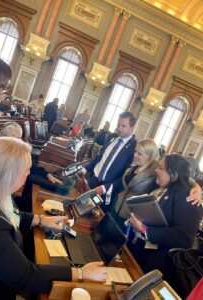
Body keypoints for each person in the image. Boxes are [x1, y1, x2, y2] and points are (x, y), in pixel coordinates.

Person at [0, 137, 107, 299]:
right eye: (26, 170)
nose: (28, 174)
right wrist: (81, 273)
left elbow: (13, 216)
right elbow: (26, 276)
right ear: (9, 175)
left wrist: (40, 220)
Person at [127, 155, 202, 292]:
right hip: (141, 254)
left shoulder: (188, 197)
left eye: (161, 168)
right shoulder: (166, 187)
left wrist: (144, 229)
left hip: (160, 264)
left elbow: (183, 237)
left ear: (173, 175)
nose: (156, 170)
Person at [0, 122, 62, 212]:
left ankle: (26, 207)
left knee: (32, 179)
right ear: (3, 137)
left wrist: (47, 174)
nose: (18, 141)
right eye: (14, 138)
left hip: (8, 194)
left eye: (19, 138)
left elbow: (31, 165)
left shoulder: (15, 149)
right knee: (31, 178)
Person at [81, 112, 137, 207]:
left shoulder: (134, 147)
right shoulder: (112, 137)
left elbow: (125, 176)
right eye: (118, 125)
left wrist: (105, 188)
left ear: (132, 128)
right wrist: (84, 169)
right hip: (93, 179)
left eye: (123, 126)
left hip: (106, 189)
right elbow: (99, 157)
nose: (119, 128)